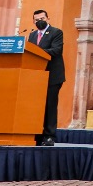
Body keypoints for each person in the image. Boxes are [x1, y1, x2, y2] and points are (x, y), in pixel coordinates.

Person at [28, 10, 65, 146]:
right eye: (37, 20)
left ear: (48, 19)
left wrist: (37, 52)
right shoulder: (31, 35)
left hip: (53, 76)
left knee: (49, 105)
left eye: (42, 18)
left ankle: (49, 136)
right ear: (33, 22)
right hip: (36, 76)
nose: (40, 21)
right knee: (37, 106)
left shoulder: (56, 32)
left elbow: (56, 50)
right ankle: (36, 134)